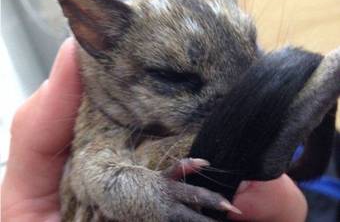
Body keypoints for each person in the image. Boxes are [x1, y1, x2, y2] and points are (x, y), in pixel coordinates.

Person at [2, 38, 307, 222]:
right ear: (97, 38)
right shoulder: (97, 108)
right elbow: (93, 171)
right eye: (172, 75)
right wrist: (153, 196)